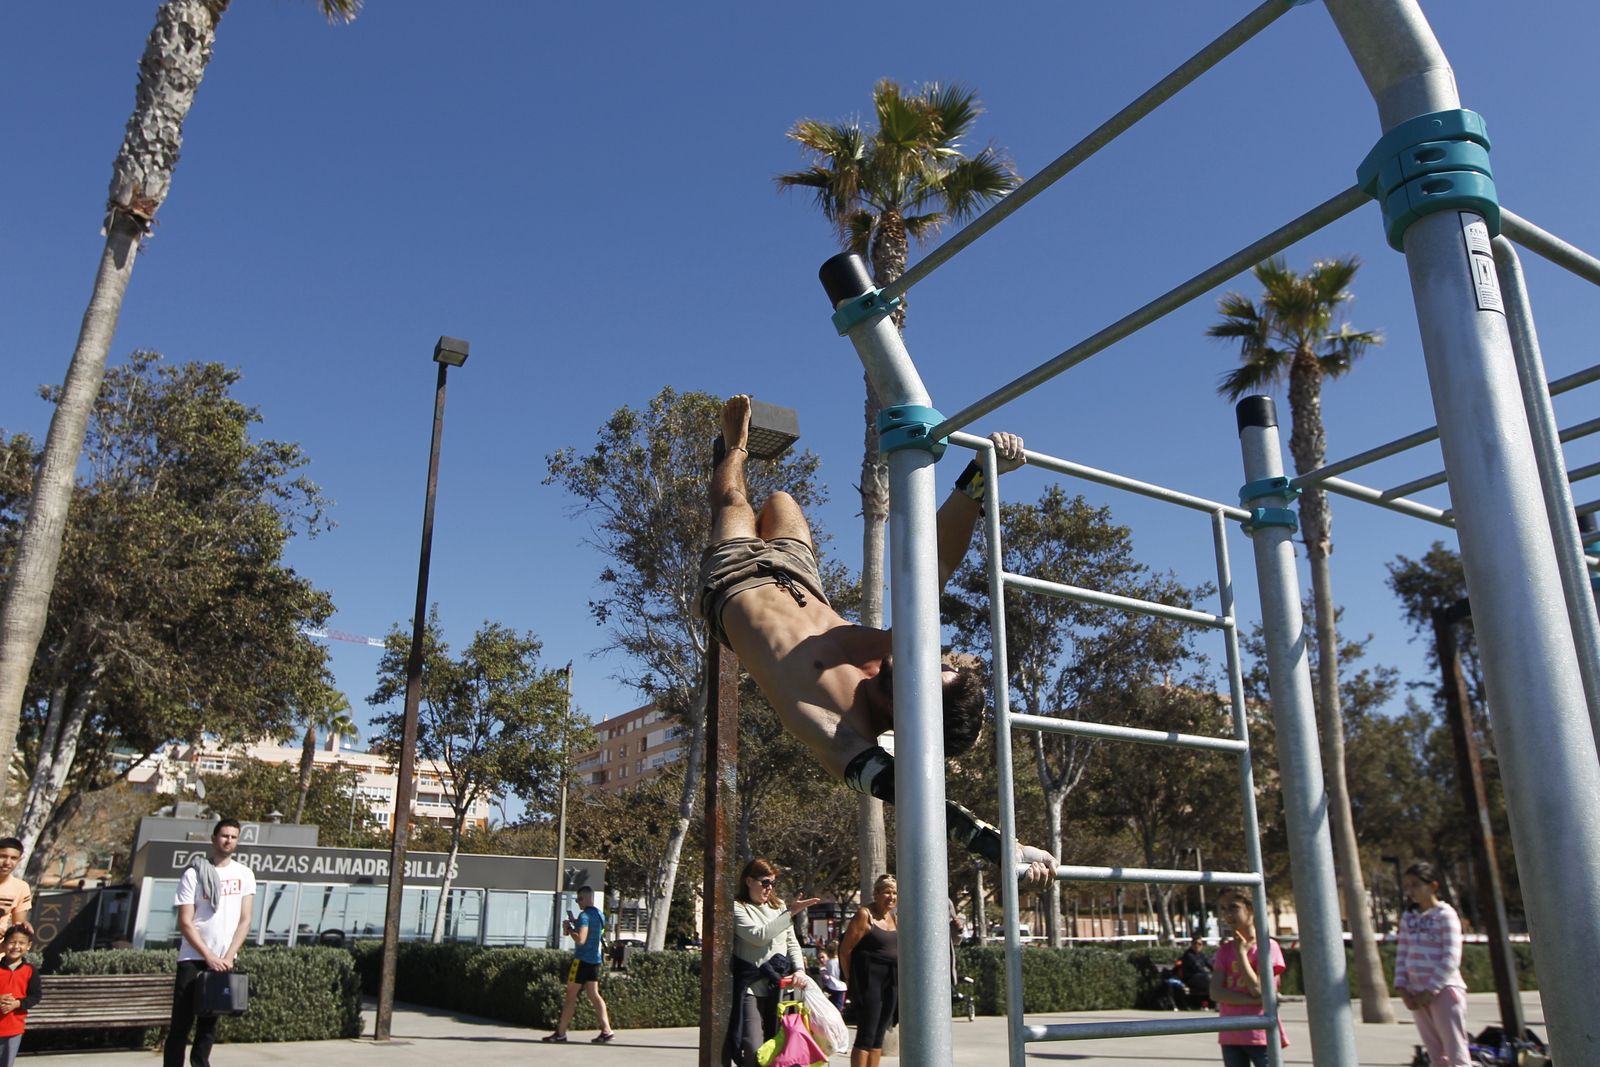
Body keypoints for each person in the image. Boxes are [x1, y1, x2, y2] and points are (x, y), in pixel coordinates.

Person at [698, 395, 1056, 887]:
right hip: (800, 579)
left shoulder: (841, 730)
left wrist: (1000, 847)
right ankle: (743, 464)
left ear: (916, 709)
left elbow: (917, 797)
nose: (922, 661)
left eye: (930, 676)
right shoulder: (896, 651)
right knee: (781, 500)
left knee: (735, 502)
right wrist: (980, 475)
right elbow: (937, 566)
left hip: (732, 583)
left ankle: (732, 448)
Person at [168, 818, 255, 1067]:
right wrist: (208, 955)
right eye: (224, 835)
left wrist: (228, 957)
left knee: (208, 1027)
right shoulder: (194, 873)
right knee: (181, 1026)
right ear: (214, 838)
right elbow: (185, 921)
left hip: (224, 961)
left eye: (234, 837)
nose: (229, 840)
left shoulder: (244, 874)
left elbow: (245, 920)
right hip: (193, 959)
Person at [726, 859, 815, 1067]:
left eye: (772, 883)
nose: (769, 888)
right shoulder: (738, 908)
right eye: (765, 882)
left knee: (780, 1046)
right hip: (751, 988)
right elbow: (759, 936)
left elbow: (791, 942)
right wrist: (790, 913)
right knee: (753, 1049)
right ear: (749, 881)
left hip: (780, 988)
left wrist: (800, 970)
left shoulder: (779, 907)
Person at [1395, 862, 1470, 1067]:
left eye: (1416, 885)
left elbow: (1451, 957)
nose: (1410, 891)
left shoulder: (1446, 915)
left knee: (1456, 1052)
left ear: (1433, 886)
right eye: (1408, 886)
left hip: (1444, 991)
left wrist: (1431, 990)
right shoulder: (1408, 917)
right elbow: (1402, 953)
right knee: (1436, 1056)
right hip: (1416, 994)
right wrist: (1402, 988)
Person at [1209, 887, 1286, 1067]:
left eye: (1234, 908)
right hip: (1230, 1033)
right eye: (1223, 909)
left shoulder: (1267, 947)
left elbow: (1259, 989)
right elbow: (1216, 992)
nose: (1227, 914)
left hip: (1260, 1034)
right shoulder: (1224, 951)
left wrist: (1242, 955)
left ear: (1251, 909)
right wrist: (1254, 1000)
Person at [542, 885, 615, 1044]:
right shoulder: (599, 914)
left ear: (585, 899)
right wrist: (578, 924)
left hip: (581, 960)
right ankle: (606, 1030)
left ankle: (560, 1033)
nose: (578, 903)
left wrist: (569, 929)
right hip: (595, 960)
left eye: (579, 899)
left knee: (570, 996)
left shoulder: (584, 916)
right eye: (577, 900)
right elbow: (595, 932)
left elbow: (581, 940)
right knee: (594, 995)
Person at [839, 874, 898, 1067]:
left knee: (879, 1035)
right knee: (866, 1034)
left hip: (891, 981)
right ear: (876, 894)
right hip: (869, 981)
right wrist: (851, 980)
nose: (891, 897)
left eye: (894, 893)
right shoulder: (865, 915)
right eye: (887, 892)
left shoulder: (894, 918)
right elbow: (845, 951)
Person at [0, 924, 40, 1067]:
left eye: (21, 943)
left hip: (14, 1028)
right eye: (11, 942)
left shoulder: (30, 971)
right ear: (4, 945)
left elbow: (35, 996)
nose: (16, 946)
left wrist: (17, 1004)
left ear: (28, 946)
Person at [0, 840, 30, 938]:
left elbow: (17, 925)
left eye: (13, 858)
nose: (7, 862)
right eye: (3, 856)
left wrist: (24, 927)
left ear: (19, 860)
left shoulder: (21, 887)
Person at [1178, 934, 1213, 1007]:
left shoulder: (1201, 954)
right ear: (1192, 944)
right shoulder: (1188, 955)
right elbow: (1197, 968)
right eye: (1195, 943)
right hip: (1191, 978)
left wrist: (1217, 971)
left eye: (1200, 944)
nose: (1197, 946)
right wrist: (1209, 973)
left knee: (1214, 977)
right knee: (1208, 977)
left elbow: (1209, 964)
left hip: (1201, 976)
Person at [815, 944, 847, 1011]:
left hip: (831, 987)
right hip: (841, 987)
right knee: (839, 1007)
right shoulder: (840, 961)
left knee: (833, 1006)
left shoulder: (828, 963)